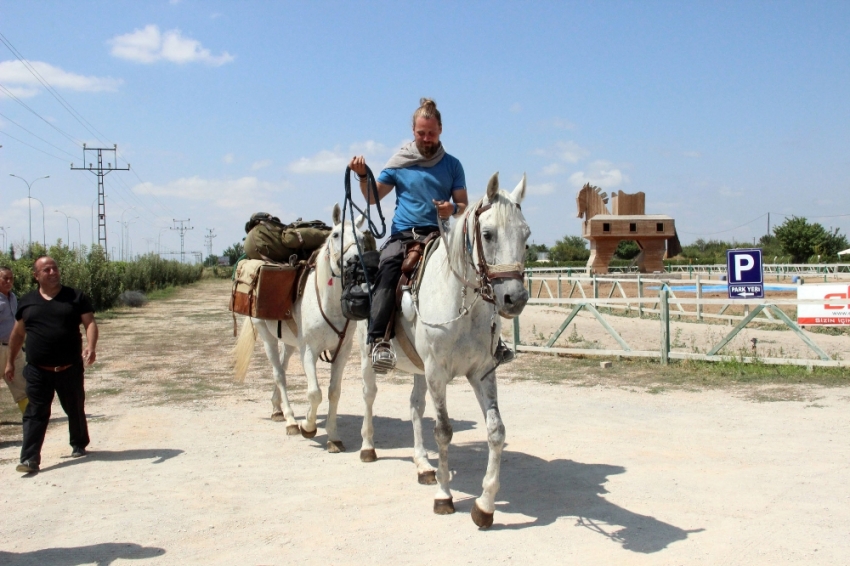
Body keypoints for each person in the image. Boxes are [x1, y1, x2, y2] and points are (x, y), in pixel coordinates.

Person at [349, 98, 513, 373]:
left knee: (479, 269)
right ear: (413, 131)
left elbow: (463, 205)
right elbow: (371, 197)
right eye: (421, 133)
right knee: (388, 271)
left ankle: (494, 339)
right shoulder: (399, 162)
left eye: (432, 133)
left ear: (440, 130)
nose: (426, 139)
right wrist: (363, 176)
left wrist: (452, 208)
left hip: (442, 235)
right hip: (404, 236)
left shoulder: (452, 165)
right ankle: (379, 341)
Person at [5, 256, 98, 474]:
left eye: (55, 268)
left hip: (69, 368)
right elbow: (18, 334)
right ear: (36, 275)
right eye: (46, 270)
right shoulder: (28, 301)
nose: (53, 272)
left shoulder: (75, 297)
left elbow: (90, 322)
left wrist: (91, 346)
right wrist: (10, 362)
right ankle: (29, 459)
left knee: (74, 408)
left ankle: (78, 442)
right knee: (35, 413)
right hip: (38, 370)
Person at [0, 267, 28, 414]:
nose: (9, 281)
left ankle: (30, 417)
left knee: (21, 383)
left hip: (14, 348)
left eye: (11, 278)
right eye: (5, 278)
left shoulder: (13, 297)